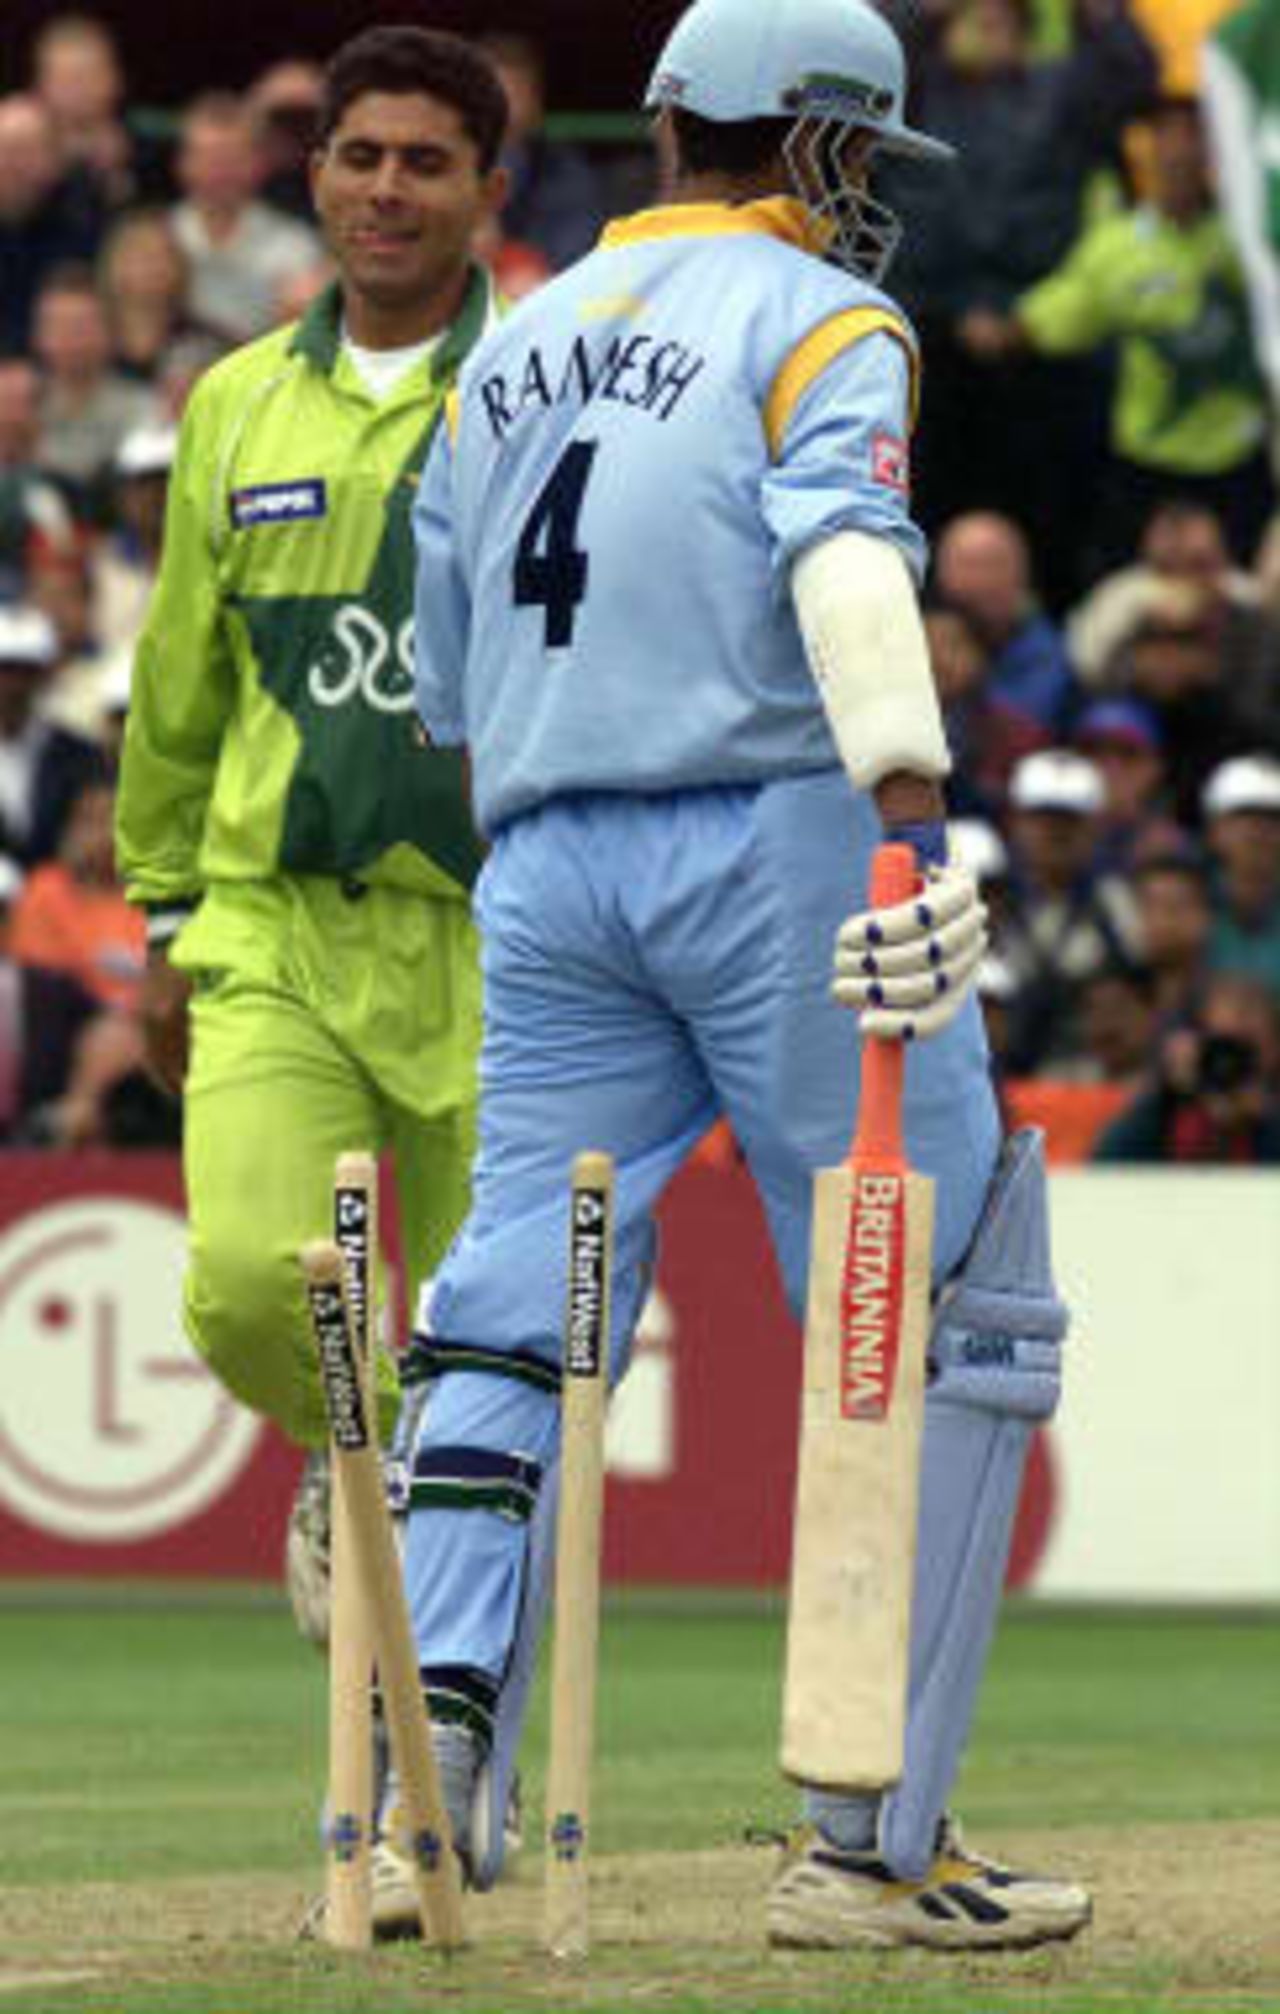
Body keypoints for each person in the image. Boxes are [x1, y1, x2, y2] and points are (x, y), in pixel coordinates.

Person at [400, 0, 1088, 1954]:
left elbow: (452, 683)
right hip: (775, 833)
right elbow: (849, 563)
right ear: (800, 145)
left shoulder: (503, 346)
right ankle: (866, 1840)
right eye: (855, 157)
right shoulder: (822, 323)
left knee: (510, 1306)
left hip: (539, 863)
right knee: (955, 1299)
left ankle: (425, 1783)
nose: (862, 199)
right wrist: (912, 815)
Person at [114, 22, 507, 1705]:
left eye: (427, 161)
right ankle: (352, 1453)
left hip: (506, 932)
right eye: (360, 156)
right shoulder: (231, 403)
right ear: (316, 173)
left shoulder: (537, 386)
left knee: (519, 1354)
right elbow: (178, 680)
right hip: (275, 924)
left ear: (492, 188)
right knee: (250, 1280)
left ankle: (456, 1730)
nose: (388, 191)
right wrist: (160, 907)